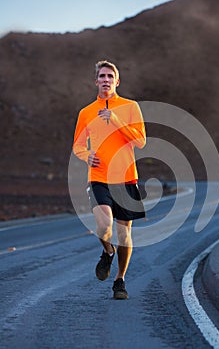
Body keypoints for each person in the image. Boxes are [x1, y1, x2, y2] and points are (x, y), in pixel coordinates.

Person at [73, 60, 146, 299]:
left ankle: (120, 280)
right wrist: (86, 155)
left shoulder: (130, 107)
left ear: (117, 81)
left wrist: (115, 120)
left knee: (125, 235)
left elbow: (140, 141)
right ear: (96, 81)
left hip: (125, 177)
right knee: (104, 226)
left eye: (109, 76)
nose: (106, 80)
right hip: (99, 177)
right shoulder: (86, 112)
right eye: (102, 76)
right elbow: (78, 145)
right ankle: (107, 251)